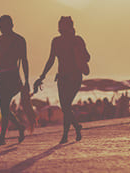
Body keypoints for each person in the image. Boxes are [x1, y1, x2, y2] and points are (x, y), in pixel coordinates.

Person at [34, 16, 90, 144]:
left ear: (69, 26)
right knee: (65, 107)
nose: (61, 28)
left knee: (66, 106)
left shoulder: (77, 40)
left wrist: (78, 52)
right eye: (60, 25)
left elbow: (87, 57)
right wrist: (42, 76)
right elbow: (51, 59)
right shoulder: (56, 41)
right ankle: (76, 126)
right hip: (62, 78)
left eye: (63, 25)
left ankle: (65, 136)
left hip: (75, 77)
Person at [0, 15, 29, 146]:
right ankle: (19, 127)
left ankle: (2, 137)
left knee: (4, 106)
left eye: (4, 25)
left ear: (11, 25)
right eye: (0, 26)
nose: (2, 28)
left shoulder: (19, 40)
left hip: (13, 76)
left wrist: (27, 80)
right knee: (4, 108)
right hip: (1, 77)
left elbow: (24, 60)